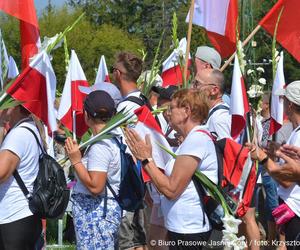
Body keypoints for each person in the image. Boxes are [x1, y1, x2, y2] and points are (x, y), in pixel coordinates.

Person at [125, 89, 218, 250]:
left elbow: (171, 189)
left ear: (186, 111)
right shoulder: (191, 139)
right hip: (180, 226)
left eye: (171, 108)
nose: (167, 113)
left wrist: (146, 160)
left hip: (189, 229)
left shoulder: (196, 139)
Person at [113, 52, 171, 250]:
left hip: (138, 185)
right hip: (149, 184)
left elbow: (121, 149)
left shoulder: (126, 108)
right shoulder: (142, 101)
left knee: (141, 242)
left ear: (118, 74)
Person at [65, 90, 122, 249]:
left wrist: (76, 161)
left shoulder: (100, 146)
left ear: (86, 116)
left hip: (96, 215)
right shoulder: (113, 137)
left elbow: (96, 186)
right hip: (101, 214)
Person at [247, 81, 300, 248]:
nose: (281, 105)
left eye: (283, 100)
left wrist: (263, 158)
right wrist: (278, 153)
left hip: (295, 211)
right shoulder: (295, 131)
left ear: (290, 104)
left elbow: (288, 179)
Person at [0, 105, 42, 249]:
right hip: (24, 212)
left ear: (15, 107)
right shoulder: (31, 128)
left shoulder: (18, 134)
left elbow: (1, 173)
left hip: (14, 214)